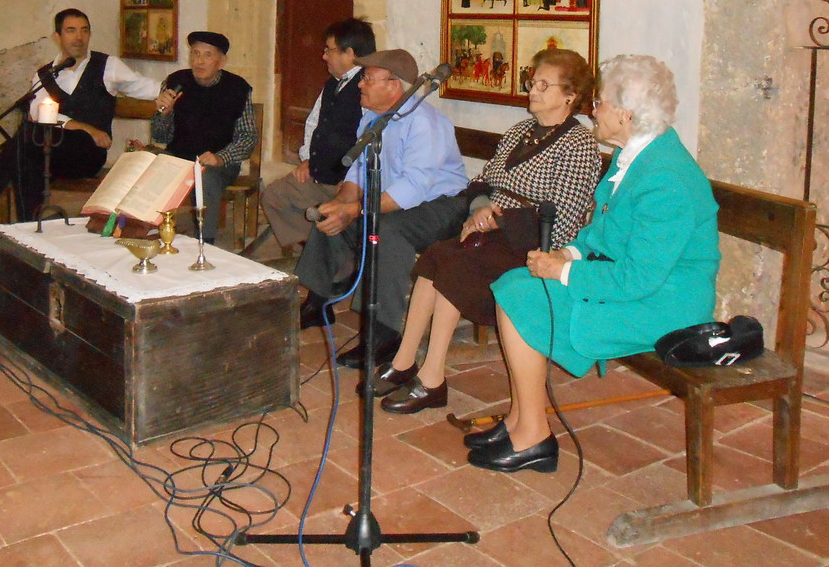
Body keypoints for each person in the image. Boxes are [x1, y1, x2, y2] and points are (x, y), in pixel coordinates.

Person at [466, 54, 719, 475]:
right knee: (513, 285)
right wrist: (567, 253)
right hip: (639, 286)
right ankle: (519, 420)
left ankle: (535, 438)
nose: (593, 109)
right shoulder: (633, 156)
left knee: (526, 298)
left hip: (666, 305)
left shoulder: (666, 177)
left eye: (599, 102)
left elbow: (640, 277)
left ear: (625, 113)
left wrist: (564, 272)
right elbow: (599, 234)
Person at [369, 49, 600, 413]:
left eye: (543, 85)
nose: (532, 91)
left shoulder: (579, 144)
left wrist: (500, 218)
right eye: (531, 82)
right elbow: (482, 180)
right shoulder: (519, 131)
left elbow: (565, 218)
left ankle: (432, 379)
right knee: (436, 256)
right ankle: (403, 361)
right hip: (491, 232)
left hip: (533, 245)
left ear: (570, 95)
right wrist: (479, 208)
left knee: (457, 266)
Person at [295, 48, 468, 369]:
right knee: (331, 210)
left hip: (443, 206)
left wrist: (357, 210)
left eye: (368, 79)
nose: (360, 84)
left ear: (394, 86)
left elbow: (415, 187)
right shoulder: (373, 119)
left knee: (385, 230)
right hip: (398, 200)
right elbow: (358, 171)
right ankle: (318, 301)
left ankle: (384, 335)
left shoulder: (425, 123)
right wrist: (343, 201)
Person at [0, 9, 168, 220]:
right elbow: (38, 114)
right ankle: (29, 223)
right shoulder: (44, 75)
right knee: (28, 156)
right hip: (50, 152)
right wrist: (82, 126)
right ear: (57, 37)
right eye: (71, 31)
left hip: (87, 154)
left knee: (26, 142)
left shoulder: (107, 66)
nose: (79, 37)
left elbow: (145, 87)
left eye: (84, 31)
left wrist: (176, 88)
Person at [261, 18, 375, 254]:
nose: (324, 57)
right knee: (274, 196)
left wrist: (353, 183)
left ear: (350, 53)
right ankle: (325, 254)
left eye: (329, 50)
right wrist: (307, 159)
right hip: (318, 175)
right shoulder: (332, 84)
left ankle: (335, 257)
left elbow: (371, 139)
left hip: (346, 185)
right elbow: (314, 123)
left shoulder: (368, 87)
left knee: (334, 216)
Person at [147, 30, 255, 242]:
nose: (199, 61)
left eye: (207, 55)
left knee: (206, 178)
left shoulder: (237, 88)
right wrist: (165, 115)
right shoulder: (175, 82)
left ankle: (205, 243)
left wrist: (221, 157)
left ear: (221, 61)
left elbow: (248, 137)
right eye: (195, 54)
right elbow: (159, 135)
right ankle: (148, 230)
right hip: (179, 157)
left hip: (219, 162)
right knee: (152, 168)